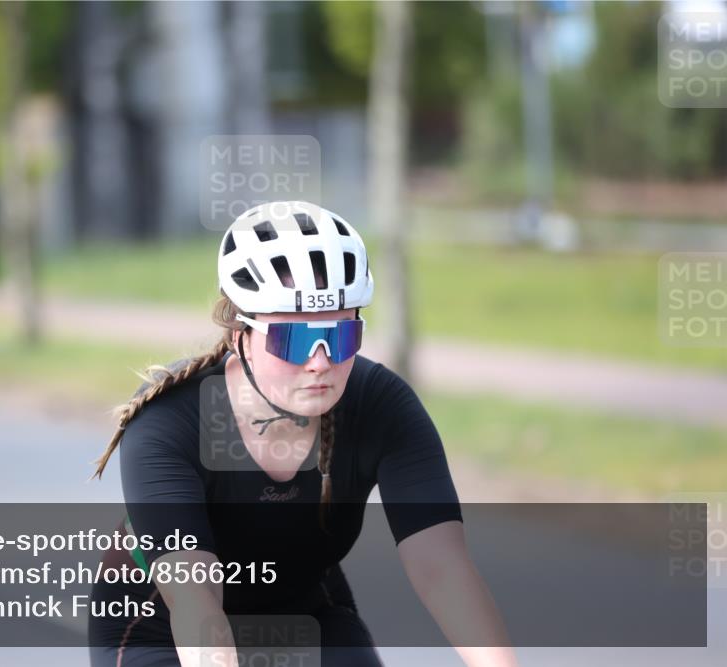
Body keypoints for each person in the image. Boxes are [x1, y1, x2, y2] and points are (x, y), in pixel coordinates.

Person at [89, 201, 517, 667]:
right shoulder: (169, 422)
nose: (319, 361)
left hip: (305, 611)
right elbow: (196, 599)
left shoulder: (381, 405)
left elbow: (441, 569)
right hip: (161, 623)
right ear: (239, 337)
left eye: (339, 337)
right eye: (293, 339)